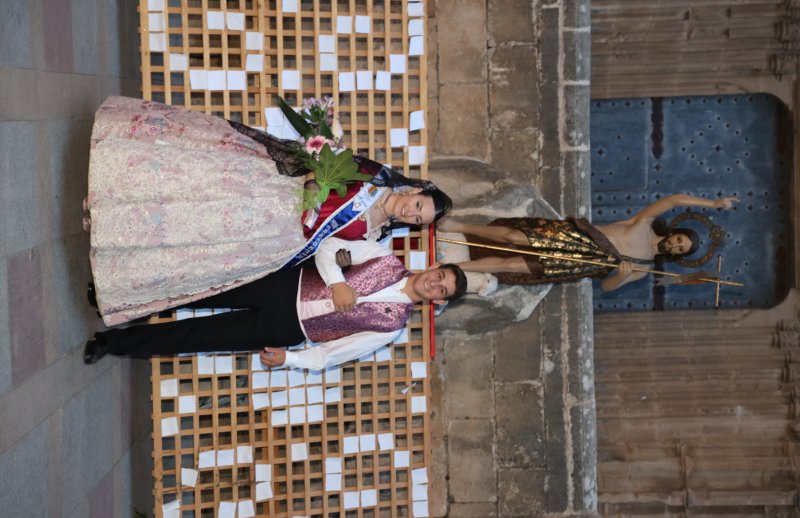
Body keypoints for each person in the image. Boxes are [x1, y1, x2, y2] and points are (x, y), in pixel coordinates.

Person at [86, 96, 452, 326]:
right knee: (191, 192)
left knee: (193, 240)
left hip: (274, 242)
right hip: (269, 196)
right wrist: (313, 181)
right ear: (415, 189)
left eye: (418, 219)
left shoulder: (374, 238)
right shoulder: (371, 175)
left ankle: (111, 232)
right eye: (418, 205)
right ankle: (107, 197)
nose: (411, 213)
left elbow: (328, 250)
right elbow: (317, 165)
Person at [83, 237, 468, 369]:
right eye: (441, 275)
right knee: (195, 290)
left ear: (438, 303)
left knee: (194, 336)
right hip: (283, 285)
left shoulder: (391, 328)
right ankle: (114, 302)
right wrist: (336, 283)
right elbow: (330, 247)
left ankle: (111, 343)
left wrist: (292, 359)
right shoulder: (384, 256)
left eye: (442, 290)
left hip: (286, 329)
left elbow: (334, 354)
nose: (435, 284)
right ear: (434, 266)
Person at [437, 194, 738, 292]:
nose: (675, 245)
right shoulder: (642, 225)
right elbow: (672, 200)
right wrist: (712, 204)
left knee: (514, 264)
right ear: (675, 232)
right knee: (513, 237)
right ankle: (461, 226)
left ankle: (456, 267)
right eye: (679, 239)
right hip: (575, 238)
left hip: (578, 263)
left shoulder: (645, 268)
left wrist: (621, 273)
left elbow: (606, 287)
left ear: (677, 255)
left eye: (680, 249)